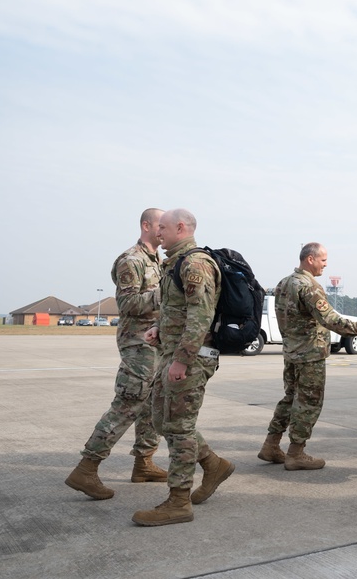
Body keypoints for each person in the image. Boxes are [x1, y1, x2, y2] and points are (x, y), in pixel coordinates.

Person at [132, 208, 234, 526]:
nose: (157, 232)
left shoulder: (195, 263)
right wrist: (160, 330)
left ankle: (178, 502)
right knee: (162, 420)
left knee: (179, 427)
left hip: (191, 358)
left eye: (162, 227)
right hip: (174, 353)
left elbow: (200, 316)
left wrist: (182, 360)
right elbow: (178, 310)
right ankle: (213, 464)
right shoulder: (175, 263)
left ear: (180, 228)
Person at [66, 208, 168, 500]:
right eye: (160, 225)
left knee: (150, 405)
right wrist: (169, 293)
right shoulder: (131, 260)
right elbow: (128, 304)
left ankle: (144, 463)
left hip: (155, 343)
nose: (164, 230)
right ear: (146, 225)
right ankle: (86, 468)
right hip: (137, 343)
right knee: (128, 403)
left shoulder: (157, 261)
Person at [257, 243, 357, 470]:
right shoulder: (309, 287)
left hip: (292, 351)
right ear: (310, 259)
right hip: (310, 355)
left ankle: (271, 445)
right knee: (309, 403)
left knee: (289, 398)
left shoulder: (284, 283)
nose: (325, 265)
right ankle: (296, 453)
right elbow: (330, 319)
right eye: (323, 260)